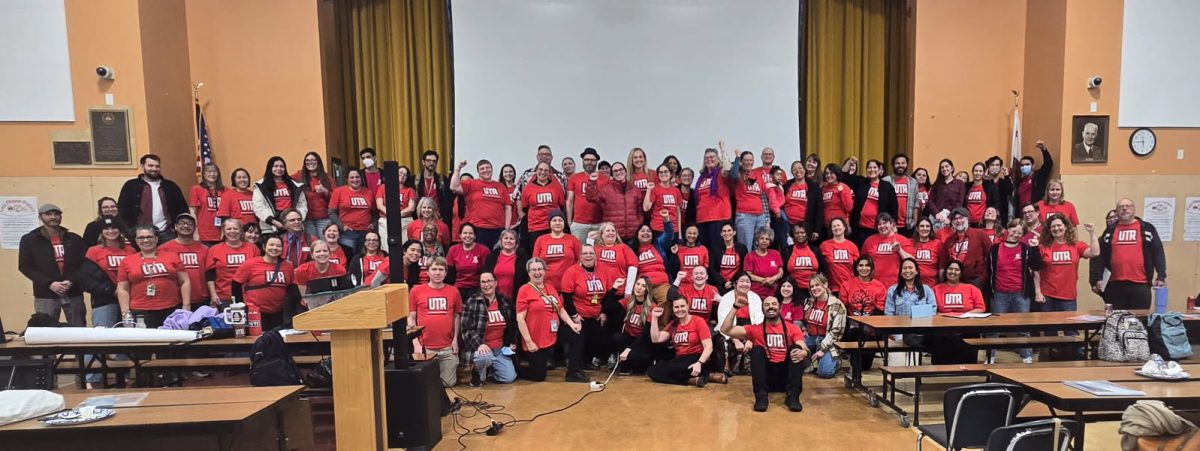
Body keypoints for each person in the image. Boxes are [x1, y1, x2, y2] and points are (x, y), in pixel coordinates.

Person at [720, 294, 807, 412]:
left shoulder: (792, 328)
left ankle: (793, 396)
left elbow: (803, 347)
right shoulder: (755, 329)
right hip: (766, 378)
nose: (770, 307)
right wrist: (735, 307)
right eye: (766, 305)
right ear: (763, 311)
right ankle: (761, 396)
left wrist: (804, 353)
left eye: (774, 304)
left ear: (780, 308)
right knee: (757, 350)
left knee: (796, 348)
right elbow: (725, 329)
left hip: (786, 377)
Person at [516, 258, 586, 382]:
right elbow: (520, 318)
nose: (537, 272)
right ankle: (515, 369)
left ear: (544, 271)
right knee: (538, 376)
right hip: (536, 339)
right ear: (528, 273)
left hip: (553, 334)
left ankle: (573, 371)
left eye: (539, 269)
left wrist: (572, 324)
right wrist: (528, 341)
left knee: (577, 333)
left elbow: (561, 309)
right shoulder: (524, 290)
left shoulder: (550, 287)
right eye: (533, 270)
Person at [985, 220, 1045, 364]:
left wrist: (1036, 249)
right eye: (1014, 231)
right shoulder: (995, 249)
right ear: (1008, 230)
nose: (1016, 235)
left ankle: (1026, 357)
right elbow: (989, 270)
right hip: (999, 294)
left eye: (1019, 233)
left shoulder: (1025, 249)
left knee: (1023, 328)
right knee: (994, 329)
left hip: (1020, 294)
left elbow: (1036, 266)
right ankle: (990, 357)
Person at [1090, 198, 1167, 310]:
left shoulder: (1147, 229)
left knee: (1139, 322)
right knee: (1116, 321)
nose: (1124, 209)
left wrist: (1161, 276)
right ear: (1116, 212)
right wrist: (1097, 278)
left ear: (1134, 209)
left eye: (1128, 206)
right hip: (1115, 285)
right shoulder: (1109, 231)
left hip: (1141, 284)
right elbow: (1100, 257)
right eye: (1121, 207)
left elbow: (1158, 253)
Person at [19, 204, 87, 326]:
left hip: (73, 291)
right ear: (40, 217)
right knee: (45, 329)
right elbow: (25, 266)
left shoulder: (74, 239)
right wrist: (49, 283)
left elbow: (84, 264)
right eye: (48, 214)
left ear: (61, 217)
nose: (53, 217)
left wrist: (72, 280)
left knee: (79, 329)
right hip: (46, 293)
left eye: (56, 214)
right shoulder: (29, 239)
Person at [559, 245, 622, 373]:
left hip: (596, 313)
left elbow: (609, 293)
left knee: (595, 338)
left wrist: (604, 312)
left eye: (591, 253)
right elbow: (566, 296)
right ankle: (575, 364)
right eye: (585, 253)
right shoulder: (572, 271)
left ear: (595, 256)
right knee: (580, 337)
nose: (588, 256)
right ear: (580, 256)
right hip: (578, 313)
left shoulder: (603, 269)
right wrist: (574, 315)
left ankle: (587, 362)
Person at [1036, 214, 1098, 339]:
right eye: (1053, 226)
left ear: (1065, 227)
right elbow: (1035, 270)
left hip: (1068, 297)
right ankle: (1050, 356)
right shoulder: (1043, 247)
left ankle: (1073, 356)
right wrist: (1038, 291)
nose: (1056, 228)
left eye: (1059, 225)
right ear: (1049, 229)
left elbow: (1095, 253)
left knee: (1070, 331)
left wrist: (1092, 233)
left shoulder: (1076, 245)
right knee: (1049, 331)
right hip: (1048, 296)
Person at [117, 225, 191, 328]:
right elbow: (122, 289)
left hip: (171, 308)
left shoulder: (172, 256)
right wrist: (125, 313)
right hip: (141, 311)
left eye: (149, 237)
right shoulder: (127, 261)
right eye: (141, 238)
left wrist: (186, 307)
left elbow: (185, 282)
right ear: (136, 240)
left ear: (156, 239)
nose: (146, 240)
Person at [406, 257, 463, 387]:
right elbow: (411, 317)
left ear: (446, 273)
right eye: (434, 269)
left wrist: (455, 340)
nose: (437, 273)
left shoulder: (453, 291)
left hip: (447, 347)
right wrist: (416, 343)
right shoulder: (416, 291)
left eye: (441, 270)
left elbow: (456, 317)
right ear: (427, 272)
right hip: (425, 346)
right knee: (424, 385)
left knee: (449, 384)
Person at [461, 272, 519, 386]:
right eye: (483, 282)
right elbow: (465, 328)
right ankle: (477, 373)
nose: (486, 284)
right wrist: (479, 344)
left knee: (509, 378)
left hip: (499, 349)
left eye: (489, 281)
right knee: (484, 357)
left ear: (495, 283)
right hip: (481, 348)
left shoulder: (504, 301)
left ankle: (491, 369)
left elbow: (512, 325)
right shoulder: (472, 301)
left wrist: (512, 343)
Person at [232, 235, 299, 331]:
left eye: (278, 246)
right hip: (254, 312)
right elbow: (236, 284)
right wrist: (241, 306)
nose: (274, 248)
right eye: (271, 245)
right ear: (264, 247)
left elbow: (291, 288)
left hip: (278, 313)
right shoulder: (250, 264)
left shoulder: (287, 266)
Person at [117, 154, 189, 241]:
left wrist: (176, 228)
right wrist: (130, 230)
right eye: (150, 166)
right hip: (141, 234)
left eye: (157, 166)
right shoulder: (131, 185)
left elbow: (182, 208)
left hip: (167, 233)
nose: (154, 169)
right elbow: (123, 209)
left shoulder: (170, 186)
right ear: (142, 166)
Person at [647, 297, 715, 387]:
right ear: (673, 309)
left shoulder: (698, 321)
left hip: (697, 357)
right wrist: (654, 318)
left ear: (688, 306)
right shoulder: (674, 324)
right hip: (680, 359)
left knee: (674, 369)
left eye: (682, 306)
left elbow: (709, 346)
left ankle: (700, 372)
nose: (680, 310)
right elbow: (656, 339)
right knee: (652, 371)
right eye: (676, 307)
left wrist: (699, 363)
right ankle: (692, 379)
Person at [930, 261, 985, 364]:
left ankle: (969, 365)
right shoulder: (935, 289)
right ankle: (941, 366)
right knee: (938, 335)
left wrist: (964, 316)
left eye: (956, 269)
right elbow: (931, 310)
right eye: (950, 269)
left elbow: (980, 308)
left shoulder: (972, 289)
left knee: (972, 333)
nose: (953, 272)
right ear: (946, 271)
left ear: (961, 273)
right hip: (944, 325)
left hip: (966, 324)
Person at [84, 216, 132, 329]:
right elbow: (88, 278)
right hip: (104, 300)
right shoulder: (93, 251)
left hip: (130, 299)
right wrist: (111, 291)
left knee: (130, 334)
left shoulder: (130, 250)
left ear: (120, 230)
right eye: (106, 229)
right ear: (101, 232)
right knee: (103, 335)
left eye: (114, 228)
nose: (110, 231)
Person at [451, 160, 511, 249]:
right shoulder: (471, 183)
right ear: (478, 172)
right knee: (480, 259)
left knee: (496, 258)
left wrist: (506, 229)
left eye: (488, 168)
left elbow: (507, 207)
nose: (485, 170)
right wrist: (458, 169)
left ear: (492, 169)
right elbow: (454, 187)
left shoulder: (500, 186)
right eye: (482, 169)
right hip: (478, 228)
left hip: (498, 229)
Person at [158, 214, 210, 310]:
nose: (186, 226)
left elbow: (210, 275)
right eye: (182, 223)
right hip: (174, 300)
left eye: (189, 224)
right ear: (175, 227)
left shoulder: (205, 249)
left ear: (195, 228)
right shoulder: (163, 249)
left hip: (201, 298)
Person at [716, 272, 764, 375]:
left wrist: (751, 339)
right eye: (742, 281)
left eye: (748, 281)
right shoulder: (726, 298)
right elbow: (722, 321)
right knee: (723, 342)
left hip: (750, 330)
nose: (745, 284)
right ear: (734, 284)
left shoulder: (755, 297)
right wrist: (735, 340)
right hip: (731, 329)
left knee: (757, 345)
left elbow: (760, 320)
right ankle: (727, 369)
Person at [801, 274, 846, 379]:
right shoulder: (808, 302)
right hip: (811, 338)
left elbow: (836, 333)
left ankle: (834, 361)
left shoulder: (837, 305)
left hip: (828, 341)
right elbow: (804, 322)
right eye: (812, 287)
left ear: (825, 285)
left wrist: (822, 350)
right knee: (795, 350)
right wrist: (803, 331)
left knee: (825, 372)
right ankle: (813, 361)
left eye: (817, 285)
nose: (814, 288)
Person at [206, 219, 260, 306]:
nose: (232, 231)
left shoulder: (253, 249)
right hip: (224, 298)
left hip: (249, 297)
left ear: (241, 231)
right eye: (229, 229)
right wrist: (213, 294)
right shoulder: (214, 249)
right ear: (223, 231)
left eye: (235, 229)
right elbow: (210, 275)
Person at [884, 258, 936, 347]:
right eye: (904, 268)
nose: (907, 270)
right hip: (899, 334)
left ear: (916, 271)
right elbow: (889, 315)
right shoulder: (892, 290)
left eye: (910, 267)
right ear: (900, 273)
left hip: (921, 334)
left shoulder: (927, 290)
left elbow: (933, 313)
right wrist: (895, 334)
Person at [585, 162, 642, 242]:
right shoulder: (606, 190)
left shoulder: (635, 190)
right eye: (615, 171)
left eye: (620, 169)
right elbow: (591, 197)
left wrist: (638, 225)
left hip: (633, 236)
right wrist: (591, 182)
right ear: (612, 174)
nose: (618, 172)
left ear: (625, 171)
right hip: (614, 236)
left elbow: (639, 212)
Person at [252, 156, 307, 236]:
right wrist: (273, 221)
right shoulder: (261, 186)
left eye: (282, 166)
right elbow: (259, 207)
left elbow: (302, 205)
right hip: (270, 227)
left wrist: (296, 220)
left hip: (292, 226)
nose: (279, 169)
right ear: (270, 168)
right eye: (276, 166)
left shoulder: (294, 185)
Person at [846, 159, 898, 245]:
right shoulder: (860, 182)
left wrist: (893, 225)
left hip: (879, 228)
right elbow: (845, 177)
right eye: (869, 167)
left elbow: (894, 207)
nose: (872, 170)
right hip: (860, 228)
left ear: (880, 170)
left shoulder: (887, 186)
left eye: (874, 167)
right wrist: (849, 163)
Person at [693, 145, 732, 257]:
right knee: (706, 250)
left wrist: (723, 149)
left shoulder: (720, 174)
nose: (709, 159)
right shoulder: (701, 178)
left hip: (719, 216)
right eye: (706, 158)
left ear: (718, 159)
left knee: (718, 250)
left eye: (712, 157)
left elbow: (728, 167)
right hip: (702, 218)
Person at [940, 207, 991, 290]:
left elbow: (991, 257)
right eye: (955, 219)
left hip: (977, 281)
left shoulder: (980, 234)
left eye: (961, 218)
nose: (958, 221)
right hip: (955, 282)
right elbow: (943, 262)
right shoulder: (949, 240)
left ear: (967, 219)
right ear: (952, 222)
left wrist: (983, 278)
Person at [518, 162, 567, 248]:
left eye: (546, 170)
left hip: (553, 226)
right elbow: (525, 207)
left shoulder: (557, 187)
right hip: (535, 227)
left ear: (549, 173)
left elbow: (561, 204)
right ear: (536, 171)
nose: (543, 172)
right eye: (540, 169)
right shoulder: (528, 188)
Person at [328, 168, 376, 254]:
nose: (355, 180)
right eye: (352, 177)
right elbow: (331, 212)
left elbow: (375, 212)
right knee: (348, 258)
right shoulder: (339, 191)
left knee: (363, 259)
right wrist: (341, 226)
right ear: (347, 179)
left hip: (365, 233)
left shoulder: (369, 192)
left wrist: (373, 224)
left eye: (357, 177)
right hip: (347, 233)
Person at [861, 213, 914, 288]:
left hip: (896, 285)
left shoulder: (903, 240)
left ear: (892, 224)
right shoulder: (869, 241)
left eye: (885, 223)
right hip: (873, 284)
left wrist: (900, 250)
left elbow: (912, 262)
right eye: (879, 224)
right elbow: (862, 262)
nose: (882, 226)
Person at [730, 150, 770, 250]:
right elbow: (733, 174)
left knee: (759, 248)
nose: (749, 162)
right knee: (745, 248)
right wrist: (737, 157)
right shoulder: (738, 175)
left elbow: (763, 198)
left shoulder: (757, 176)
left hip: (760, 216)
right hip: (745, 216)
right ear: (741, 162)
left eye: (751, 160)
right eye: (746, 160)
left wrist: (767, 219)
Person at [532, 210, 580, 290]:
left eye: (560, 220)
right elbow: (535, 263)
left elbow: (579, 261)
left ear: (564, 223)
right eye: (554, 220)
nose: (557, 223)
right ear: (549, 223)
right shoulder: (541, 240)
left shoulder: (572, 239)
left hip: (569, 285)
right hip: (545, 285)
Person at [633, 213, 676, 303]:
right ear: (637, 234)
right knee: (645, 308)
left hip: (662, 284)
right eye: (642, 231)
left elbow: (669, 234)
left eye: (648, 231)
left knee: (667, 301)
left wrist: (666, 218)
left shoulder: (658, 244)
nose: (645, 233)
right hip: (643, 287)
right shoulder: (631, 249)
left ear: (652, 235)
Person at [566, 148, 604, 243]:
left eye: (592, 160)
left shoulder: (605, 179)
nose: (589, 162)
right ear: (583, 161)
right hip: (579, 223)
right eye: (586, 160)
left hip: (599, 223)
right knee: (579, 252)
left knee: (598, 252)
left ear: (596, 162)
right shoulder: (574, 178)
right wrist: (570, 221)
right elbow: (569, 201)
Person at [294, 152, 335, 239]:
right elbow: (284, 179)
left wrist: (325, 191)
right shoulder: (299, 177)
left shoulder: (327, 178)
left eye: (313, 160)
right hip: (307, 219)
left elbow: (336, 199)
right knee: (312, 245)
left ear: (318, 162)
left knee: (325, 244)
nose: (310, 162)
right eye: (307, 160)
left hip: (324, 218)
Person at [375, 165, 416, 251]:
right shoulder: (383, 187)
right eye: (400, 173)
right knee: (387, 248)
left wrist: (397, 215)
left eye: (405, 174)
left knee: (404, 248)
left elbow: (411, 207)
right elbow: (379, 205)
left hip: (404, 220)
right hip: (386, 219)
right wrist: (391, 215)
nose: (402, 175)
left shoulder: (410, 190)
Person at [446, 223, 490, 300]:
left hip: (477, 287)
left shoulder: (483, 250)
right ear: (460, 235)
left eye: (470, 233)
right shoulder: (453, 249)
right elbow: (449, 273)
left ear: (475, 236)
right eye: (465, 233)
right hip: (458, 286)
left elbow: (486, 271)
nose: (467, 236)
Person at [1011, 140, 1055, 214]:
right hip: (1022, 213)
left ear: (1033, 166)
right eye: (1022, 165)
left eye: (1027, 164)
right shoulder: (1019, 181)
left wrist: (1044, 150)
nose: (1024, 166)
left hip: (1036, 211)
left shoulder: (1039, 176)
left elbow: (1048, 164)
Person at [484, 229, 528, 301]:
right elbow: (486, 274)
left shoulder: (523, 256)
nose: (508, 241)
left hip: (516, 298)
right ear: (501, 241)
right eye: (506, 238)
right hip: (494, 298)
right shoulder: (492, 256)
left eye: (511, 239)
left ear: (516, 242)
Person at [188, 163, 226, 245]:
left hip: (222, 233)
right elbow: (192, 211)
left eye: (214, 171)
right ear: (204, 174)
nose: (212, 174)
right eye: (209, 171)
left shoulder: (225, 191)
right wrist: (195, 231)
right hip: (203, 233)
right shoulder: (196, 189)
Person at [819, 217, 858, 296]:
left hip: (850, 288)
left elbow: (857, 269)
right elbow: (820, 268)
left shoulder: (852, 246)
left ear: (844, 227)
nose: (836, 228)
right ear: (831, 229)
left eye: (838, 225)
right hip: (831, 289)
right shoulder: (824, 246)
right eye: (834, 226)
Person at [784, 162, 822, 241]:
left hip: (806, 226)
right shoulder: (787, 185)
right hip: (787, 224)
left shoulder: (813, 186)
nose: (797, 171)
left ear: (805, 170)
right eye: (794, 169)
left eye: (800, 168)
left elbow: (819, 209)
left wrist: (817, 229)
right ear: (792, 173)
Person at [884, 154, 921, 234]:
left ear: (907, 164)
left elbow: (916, 203)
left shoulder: (913, 182)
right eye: (897, 163)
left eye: (903, 163)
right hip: (889, 224)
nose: (900, 165)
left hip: (908, 225)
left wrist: (915, 221)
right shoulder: (886, 181)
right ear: (893, 165)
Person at [645, 164, 683, 239]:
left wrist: (680, 234)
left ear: (670, 174)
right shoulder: (655, 189)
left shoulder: (676, 191)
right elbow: (646, 208)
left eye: (666, 171)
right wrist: (648, 190)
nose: (663, 174)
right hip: (658, 228)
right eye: (661, 172)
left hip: (674, 229)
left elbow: (678, 212)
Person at [744, 227, 784, 299]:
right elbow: (748, 275)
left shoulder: (776, 254)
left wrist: (773, 278)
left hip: (774, 292)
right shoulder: (749, 256)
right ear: (757, 241)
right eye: (761, 238)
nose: (764, 241)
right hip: (756, 293)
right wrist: (766, 280)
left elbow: (781, 272)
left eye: (767, 239)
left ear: (769, 242)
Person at [785, 224, 819, 301]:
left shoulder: (815, 250)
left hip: (814, 289)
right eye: (797, 233)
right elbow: (785, 272)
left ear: (807, 234)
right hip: (794, 290)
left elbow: (822, 270)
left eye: (802, 232)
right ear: (793, 235)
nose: (800, 235)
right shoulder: (787, 251)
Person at [927, 159, 965, 225]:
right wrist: (936, 213)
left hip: (952, 219)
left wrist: (950, 218)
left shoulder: (960, 183)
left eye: (946, 166)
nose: (944, 169)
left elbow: (959, 202)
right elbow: (930, 200)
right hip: (937, 218)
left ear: (952, 168)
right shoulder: (937, 184)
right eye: (942, 167)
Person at [820, 164, 854, 236]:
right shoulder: (824, 188)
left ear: (837, 174)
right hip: (827, 226)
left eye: (831, 173)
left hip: (840, 226)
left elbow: (849, 208)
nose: (828, 175)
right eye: (826, 173)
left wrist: (841, 192)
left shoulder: (844, 187)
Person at [713, 223, 747, 291]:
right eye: (724, 231)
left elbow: (744, 268)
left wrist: (732, 281)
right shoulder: (715, 248)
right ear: (721, 233)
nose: (726, 233)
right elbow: (712, 269)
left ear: (734, 232)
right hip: (720, 284)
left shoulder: (742, 248)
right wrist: (723, 282)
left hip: (736, 283)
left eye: (729, 230)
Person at [965, 162, 1000, 227]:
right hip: (968, 222)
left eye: (980, 171)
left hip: (982, 223)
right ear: (972, 172)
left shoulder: (989, 185)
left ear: (983, 173)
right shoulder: (967, 186)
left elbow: (994, 203)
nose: (978, 173)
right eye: (976, 171)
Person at [911, 217, 943, 286]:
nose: (925, 228)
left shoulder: (938, 243)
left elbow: (942, 265)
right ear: (917, 228)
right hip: (913, 284)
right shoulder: (909, 243)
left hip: (932, 285)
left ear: (931, 228)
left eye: (927, 226)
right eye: (922, 226)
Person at [984, 155, 1015, 224]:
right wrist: (985, 179)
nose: (995, 167)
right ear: (988, 168)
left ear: (1000, 167)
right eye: (992, 165)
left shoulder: (1004, 181)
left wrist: (1006, 176)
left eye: (997, 165)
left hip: (1002, 216)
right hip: (986, 215)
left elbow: (1009, 191)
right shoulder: (984, 182)